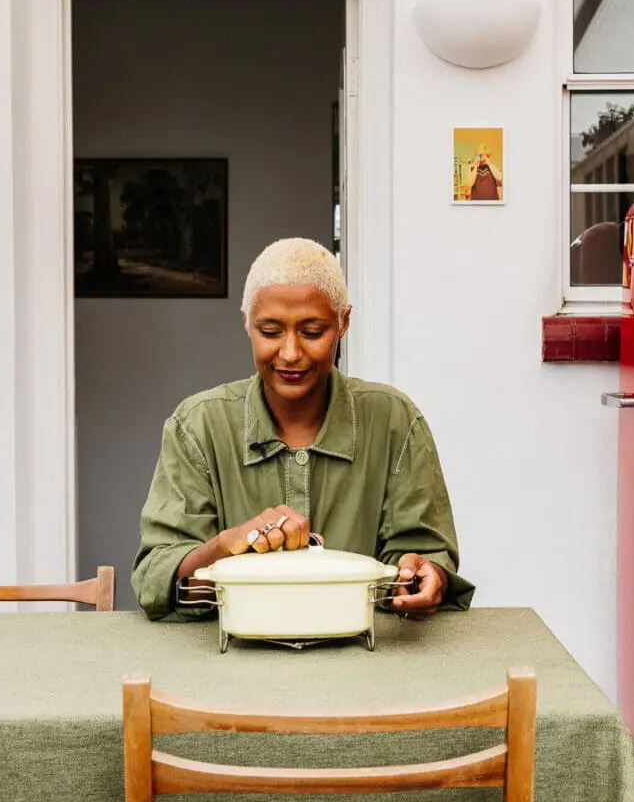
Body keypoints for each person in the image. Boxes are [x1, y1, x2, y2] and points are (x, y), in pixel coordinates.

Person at [131, 238, 474, 622]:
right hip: (231, 667)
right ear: (247, 321)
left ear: (344, 321)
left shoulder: (395, 421)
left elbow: (425, 554)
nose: (291, 353)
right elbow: (156, 574)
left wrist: (424, 573)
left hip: (366, 664)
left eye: (312, 332)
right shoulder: (197, 426)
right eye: (271, 331)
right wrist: (225, 547)